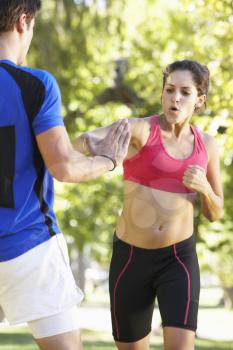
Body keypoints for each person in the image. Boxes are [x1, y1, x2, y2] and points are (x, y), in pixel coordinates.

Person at [0, 1, 130, 350]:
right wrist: (108, 159)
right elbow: (64, 168)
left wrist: (80, 146)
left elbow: (18, 156)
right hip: (28, 248)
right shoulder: (35, 85)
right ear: (23, 21)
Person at [75, 59, 224, 350]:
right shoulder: (139, 130)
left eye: (184, 92)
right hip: (131, 258)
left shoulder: (207, 145)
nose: (175, 98)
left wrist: (205, 189)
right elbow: (82, 142)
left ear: (199, 100)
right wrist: (97, 150)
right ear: (162, 94)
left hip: (178, 259)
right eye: (169, 90)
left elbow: (214, 213)